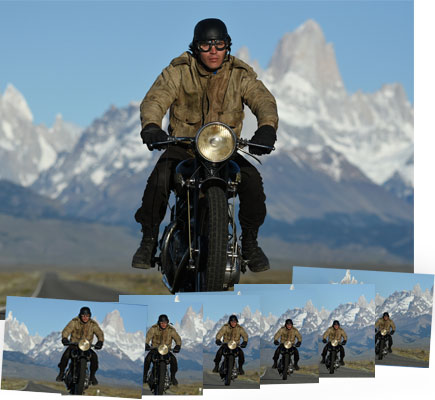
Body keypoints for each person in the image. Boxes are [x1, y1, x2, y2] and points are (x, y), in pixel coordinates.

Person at [132, 17, 279, 273]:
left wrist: (267, 127)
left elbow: (262, 99)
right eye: (206, 46)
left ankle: (251, 243)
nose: (213, 51)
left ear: (227, 47)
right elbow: (155, 99)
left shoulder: (239, 74)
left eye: (219, 45)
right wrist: (151, 126)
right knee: (160, 178)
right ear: (195, 47)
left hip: (224, 150)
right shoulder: (178, 71)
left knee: (252, 180)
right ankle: (148, 240)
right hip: (184, 147)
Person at [56, 306, 104, 385]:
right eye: (83, 316)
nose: (85, 318)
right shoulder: (74, 321)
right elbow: (67, 330)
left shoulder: (93, 324)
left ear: (89, 316)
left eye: (87, 316)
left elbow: (99, 333)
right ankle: (61, 373)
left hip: (86, 347)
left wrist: (100, 341)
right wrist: (64, 338)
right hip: (74, 345)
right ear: (80, 315)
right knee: (66, 355)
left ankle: (92, 376)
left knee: (94, 358)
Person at [144, 314, 182, 386]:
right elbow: (148, 337)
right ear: (159, 322)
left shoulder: (171, 330)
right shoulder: (154, 328)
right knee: (147, 359)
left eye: (165, 323)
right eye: (161, 323)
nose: (163, 324)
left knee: (174, 361)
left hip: (166, 350)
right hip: (155, 349)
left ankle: (173, 377)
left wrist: (178, 346)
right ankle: (144, 375)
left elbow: (178, 339)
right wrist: (146, 344)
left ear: (167, 322)